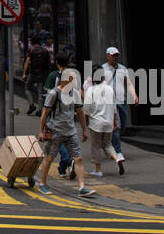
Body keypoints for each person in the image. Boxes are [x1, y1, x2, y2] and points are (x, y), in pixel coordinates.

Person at [34, 57, 95, 197]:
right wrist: (41, 132)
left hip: (70, 131)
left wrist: (84, 130)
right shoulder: (54, 94)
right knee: (49, 158)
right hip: (55, 131)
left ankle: (82, 187)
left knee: (78, 159)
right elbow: (44, 115)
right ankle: (42, 184)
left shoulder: (75, 94)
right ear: (64, 80)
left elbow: (79, 112)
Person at [97, 46, 137, 172]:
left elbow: (128, 83)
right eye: (113, 55)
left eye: (117, 55)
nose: (115, 57)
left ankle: (110, 144)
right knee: (116, 126)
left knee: (122, 125)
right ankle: (118, 152)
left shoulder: (122, 69)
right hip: (109, 103)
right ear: (107, 55)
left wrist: (134, 95)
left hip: (122, 101)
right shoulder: (102, 69)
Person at [82, 68, 122, 178]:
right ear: (103, 77)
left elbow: (86, 109)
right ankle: (117, 158)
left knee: (96, 146)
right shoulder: (110, 89)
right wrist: (114, 123)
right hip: (108, 122)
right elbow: (114, 109)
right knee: (107, 144)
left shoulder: (91, 90)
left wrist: (84, 126)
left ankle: (98, 170)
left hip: (96, 123)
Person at [23, 37, 52, 115]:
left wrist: (24, 73)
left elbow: (27, 62)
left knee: (27, 88)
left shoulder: (31, 49)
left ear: (32, 42)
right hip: (42, 74)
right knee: (40, 92)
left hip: (32, 73)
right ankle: (39, 110)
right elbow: (48, 63)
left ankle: (31, 104)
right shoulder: (45, 50)